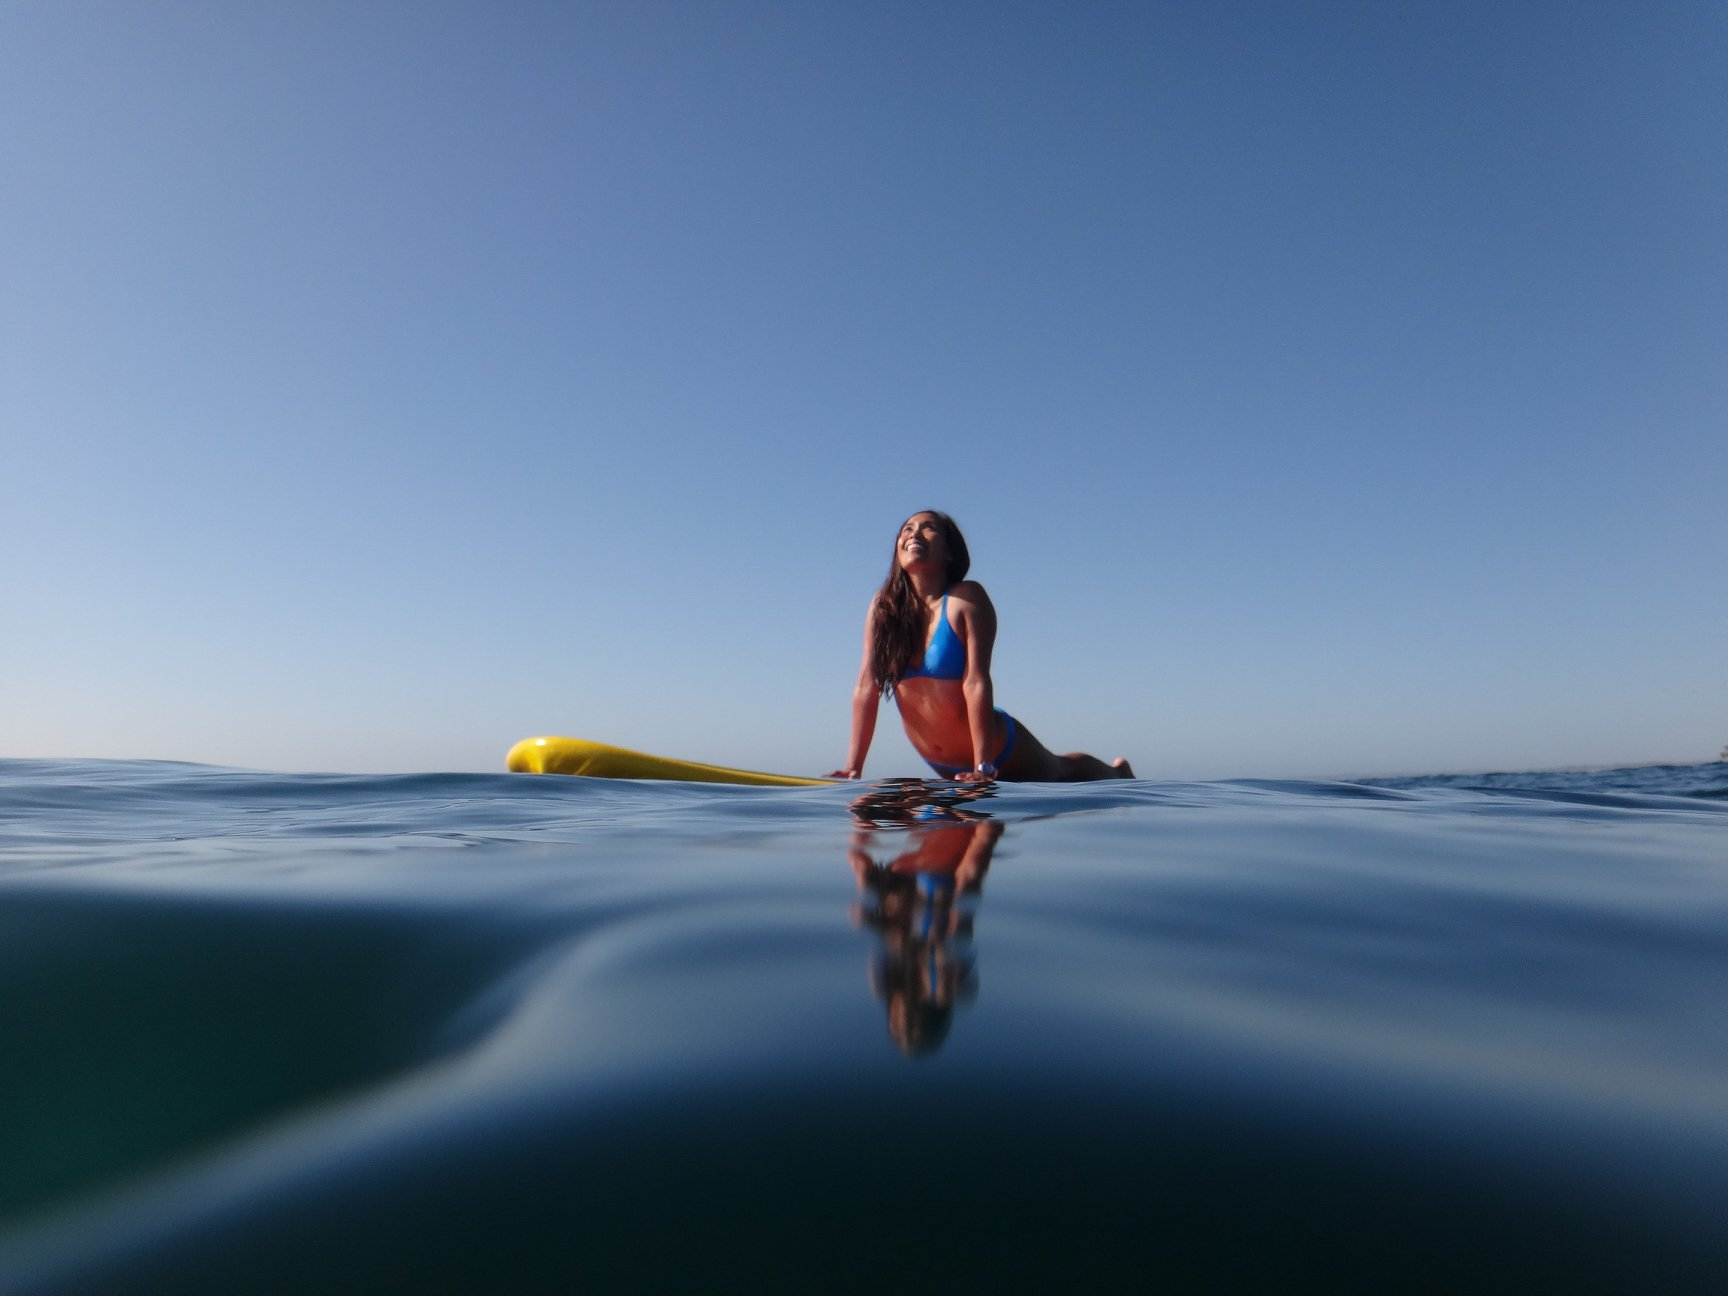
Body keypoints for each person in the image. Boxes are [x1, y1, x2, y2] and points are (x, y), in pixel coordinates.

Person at [827, 510, 1135, 782]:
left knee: (1061, 771)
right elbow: (866, 687)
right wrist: (853, 767)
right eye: (907, 529)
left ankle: (1118, 773)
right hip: (938, 762)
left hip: (996, 750)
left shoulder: (965, 599)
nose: (914, 533)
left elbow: (976, 680)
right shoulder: (885, 608)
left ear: (949, 551)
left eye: (928, 527)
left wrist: (984, 764)